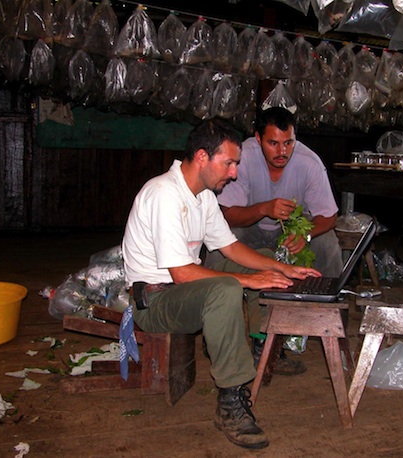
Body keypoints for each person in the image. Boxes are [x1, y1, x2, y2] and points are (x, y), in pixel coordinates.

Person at [121, 119, 321, 450]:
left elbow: (229, 247)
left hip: (182, 292)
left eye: (236, 163)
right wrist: (247, 279)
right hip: (154, 303)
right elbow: (183, 274)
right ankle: (230, 401)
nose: (234, 173)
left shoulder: (202, 197)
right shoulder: (163, 194)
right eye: (228, 163)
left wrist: (281, 267)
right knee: (227, 286)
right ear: (202, 156)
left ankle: (261, 349)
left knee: (260, 256)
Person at [210, 107, 343, 278]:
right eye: (273, 143)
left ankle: (327, 296)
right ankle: (211, 290)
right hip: (249, 229)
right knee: (219, 241)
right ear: (258, 138)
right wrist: (263, 209)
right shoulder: (242, 158)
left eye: (288, 143)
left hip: (292, 231)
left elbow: (329, 217)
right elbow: (227, 215)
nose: (282, 152)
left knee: (327, 243)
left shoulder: (310, 163)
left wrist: (305, 234)